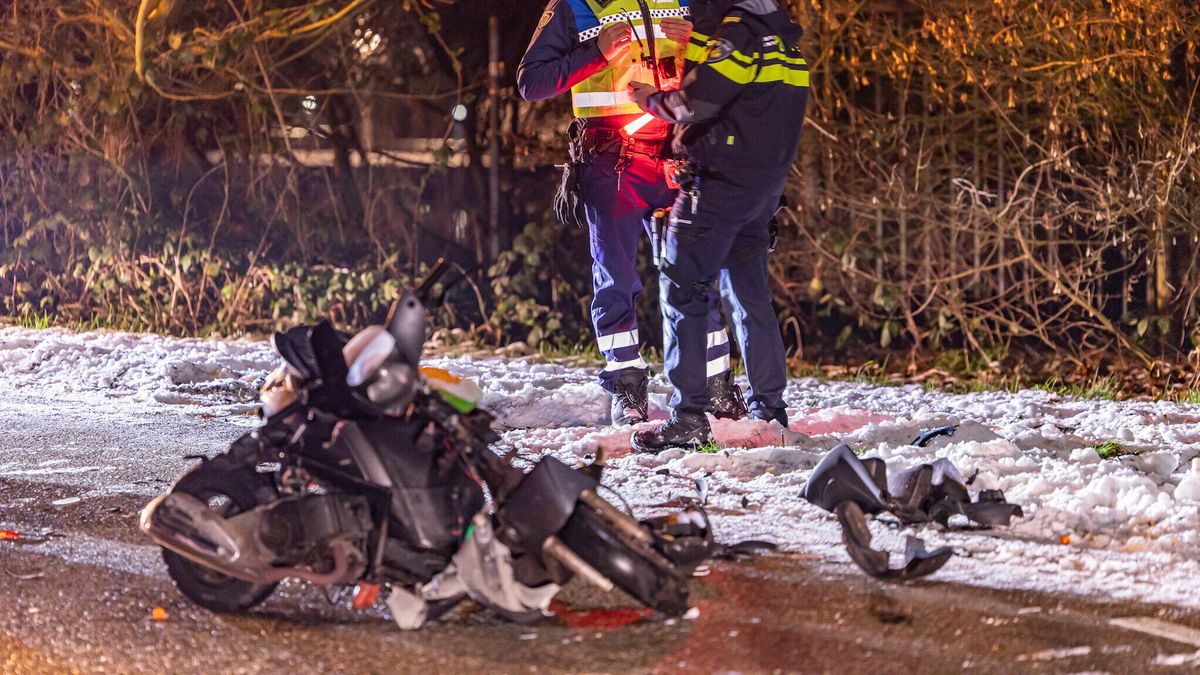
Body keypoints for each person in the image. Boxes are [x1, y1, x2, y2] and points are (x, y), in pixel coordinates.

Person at [517, 0, 748, 427]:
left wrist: (696, 43)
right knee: (617, 280)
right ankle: (627, 387)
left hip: (678, 155)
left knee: (692, 276)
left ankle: (715, 388)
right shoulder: (576, 5)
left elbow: (728, 66)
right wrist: (597, 53)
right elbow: (532, 82)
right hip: (611, 161)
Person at [627, 0, 810, 452]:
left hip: (715, 189)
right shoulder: (785, 42)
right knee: (750, 298)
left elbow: (696, 101)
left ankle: (688, 416)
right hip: (761, 192)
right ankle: (771, 409)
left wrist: (647, 98)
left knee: (684, 291)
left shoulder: (740, 33)